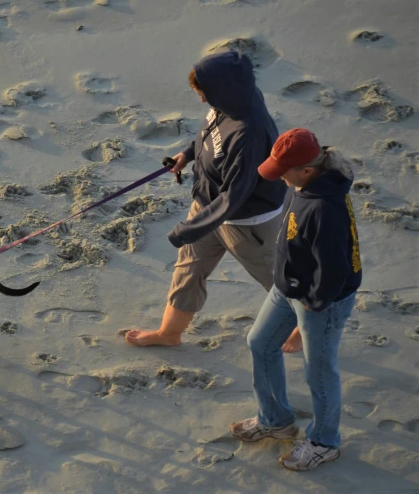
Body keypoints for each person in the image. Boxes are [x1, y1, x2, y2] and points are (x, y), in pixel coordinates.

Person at [126, 51, 286, 347]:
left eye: (204, 95)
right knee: (188, 271)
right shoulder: (228, 102)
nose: (202, 101)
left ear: (222, 91)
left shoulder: (248, 133)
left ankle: (302, 327)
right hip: (209, 207)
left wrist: (189, 229)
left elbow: (234, 196)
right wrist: (187, 155)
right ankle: (168, 334)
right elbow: (210, 135)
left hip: (247, 223)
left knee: (278, 280)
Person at [230, 128, 363, 471]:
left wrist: (314, 305)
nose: (279, 178)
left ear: (307, 169)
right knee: (259, 343)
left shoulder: (325, 207)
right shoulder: (304, 185)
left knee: (318, 371)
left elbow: (333, 271)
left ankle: (324, 441)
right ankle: (275, 419)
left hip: (320, 300)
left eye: (283, 172)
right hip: (287, 289)